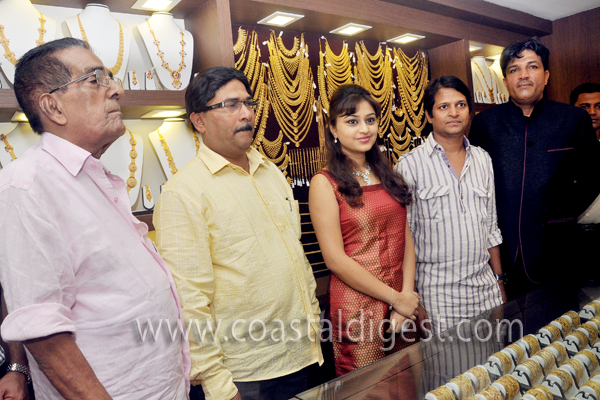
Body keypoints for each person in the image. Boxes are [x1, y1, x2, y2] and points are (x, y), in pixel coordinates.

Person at [0, 38, 190, 400]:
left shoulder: (94, 178)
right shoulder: (27, 186)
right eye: (95, 79)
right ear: (53, 106)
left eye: (110, 77)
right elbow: (43, 331)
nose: (117, 90)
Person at [153, 66, 323, 400]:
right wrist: (217, 385)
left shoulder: (270, 172)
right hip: (246, 376)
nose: (246, 114)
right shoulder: (183, 193)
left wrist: (314, 322)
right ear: (199, 121)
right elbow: (188, 301)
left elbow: (295, 255)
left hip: (303, 354)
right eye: (231, 105)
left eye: (248, 103)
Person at [469, 38, 600, 299]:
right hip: (500, 252)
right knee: (507, 322)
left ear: (546, 75)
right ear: (505, 80)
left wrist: (556, 211)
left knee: (561, 319)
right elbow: (474, 182)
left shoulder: (573, 119)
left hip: (557, 248)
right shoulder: (485, 123)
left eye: (532, 67)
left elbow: (593, 178)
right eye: (514, 69)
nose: (523, 75)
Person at [308, 84, 420, 377]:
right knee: (369, 389)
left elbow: (406, 237)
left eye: (370, 120)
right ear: (333, 128)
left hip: (401, 304)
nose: (364, 129)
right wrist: (396, 299)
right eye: (352, 121)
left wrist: (406, 296)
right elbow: (335, 260)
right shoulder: (325, 183)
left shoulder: (386, 173)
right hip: (357, 307)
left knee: (408, 384)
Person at [395, 76, 505, 334]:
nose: (454, 113)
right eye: (443, 107)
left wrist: (499, 281)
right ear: (429, 115)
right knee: (448, 361)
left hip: (486, 292)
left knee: (495, 357)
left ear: (470, 111)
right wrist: (414, 299)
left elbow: (491, 227)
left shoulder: (483, 159)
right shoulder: (409, 165)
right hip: (438, 297)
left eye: (461, 105)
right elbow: (404, 238)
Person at [571, 83, 600, 281]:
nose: (592, 112)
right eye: (584, 107)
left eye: (598, 106)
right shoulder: (562, 147)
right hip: (573, 241)